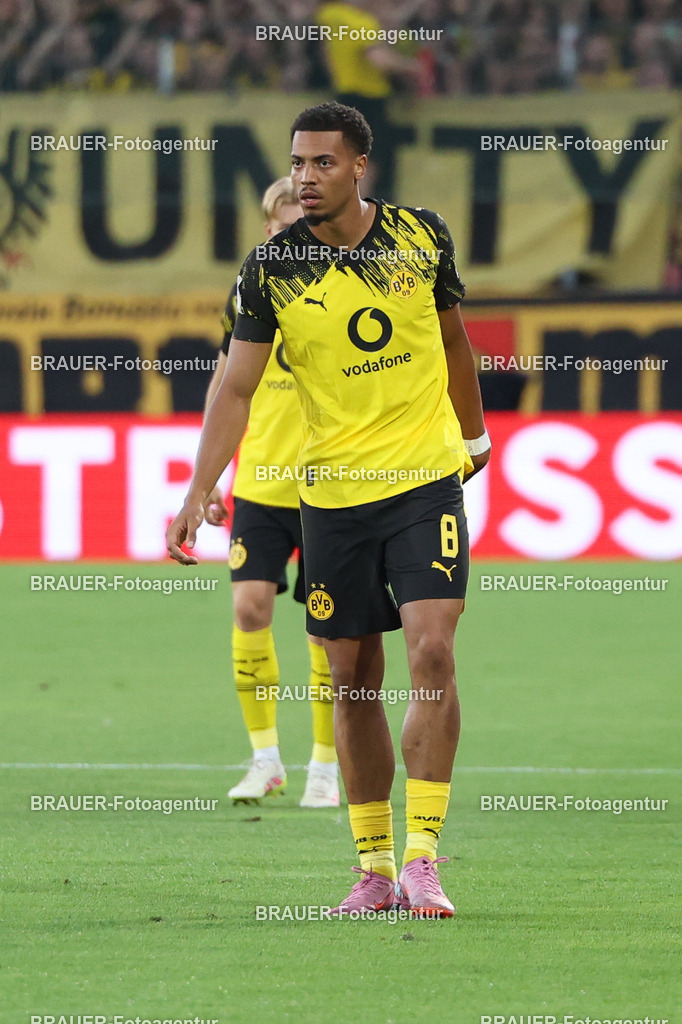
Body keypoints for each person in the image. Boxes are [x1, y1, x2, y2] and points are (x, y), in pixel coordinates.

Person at [167, 101, 491, 918]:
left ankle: (423, 858)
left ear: (358, 168)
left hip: (422, 480)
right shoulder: (270, 269)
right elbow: (235, 385)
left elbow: (454, 339)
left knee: (432, 656)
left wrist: (476, 436)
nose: (305, 178)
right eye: (297, 164)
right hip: (330, 497)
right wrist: (199, 485)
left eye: (321, 163)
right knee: (351, 679)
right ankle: (374, 866)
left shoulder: (423, 237)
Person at [203, 177, 339, 809]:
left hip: (331, 484)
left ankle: (325, 766)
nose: (295, 238)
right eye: (285, 229)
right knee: (250, 608)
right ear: (268, 231)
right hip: (260, 482)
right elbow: (226, 382)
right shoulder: (248, 291)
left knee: (325, 631)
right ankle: (264, 760)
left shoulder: (344, 287)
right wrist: (207, 478)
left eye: (305, 229)